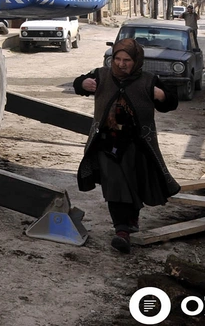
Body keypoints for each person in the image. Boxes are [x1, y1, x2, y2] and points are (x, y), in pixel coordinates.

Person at [73, 37, 180, 253]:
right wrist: (83, 84)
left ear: (137, 61)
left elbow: (171, 101)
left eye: (127, 60)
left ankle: (131, 221)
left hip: (137, 144)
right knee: (114, 183)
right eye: (118, 59)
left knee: (133, 183)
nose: (121, 64)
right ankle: (121, 230)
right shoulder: (101, 75)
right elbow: (79, 85)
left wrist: (161, 96)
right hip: (105, 143)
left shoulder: (148, 80)